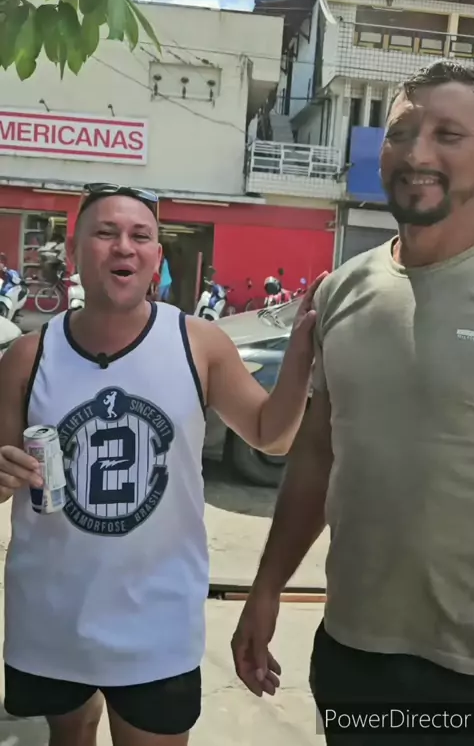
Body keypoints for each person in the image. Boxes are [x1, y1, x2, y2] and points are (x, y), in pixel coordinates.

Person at [0, 181, 324, 746]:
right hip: (50, 619)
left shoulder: (199, 344)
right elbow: (5, 476)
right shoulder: (29, 356)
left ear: (156, 257)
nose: (123, 246)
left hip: (157, 622)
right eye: (105, 233)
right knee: (68, 734)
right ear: (75, 250)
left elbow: (271, 435)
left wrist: (300, 354)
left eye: (140, 235)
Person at [231, 59, 474, 744]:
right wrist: (268, 585)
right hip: (354, 652)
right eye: (401, 132)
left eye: (449, 135)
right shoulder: (341, 290)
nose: (417, 153)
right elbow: (318, 451)